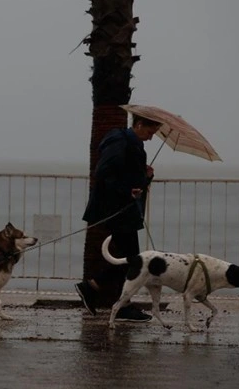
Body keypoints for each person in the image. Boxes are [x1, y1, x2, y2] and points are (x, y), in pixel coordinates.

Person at [76, 114, 161, 322]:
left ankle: (97, 290)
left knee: (129, 258)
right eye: (150, 132)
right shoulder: (119, 140)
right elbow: (103, 172)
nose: (151, 138)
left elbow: (132, 179)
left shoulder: (134, 144)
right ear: (139, 124)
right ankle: (112, 300)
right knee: (132, 259)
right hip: (117, 209)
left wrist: (146, 176)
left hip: (126, 210)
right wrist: (126, 192)